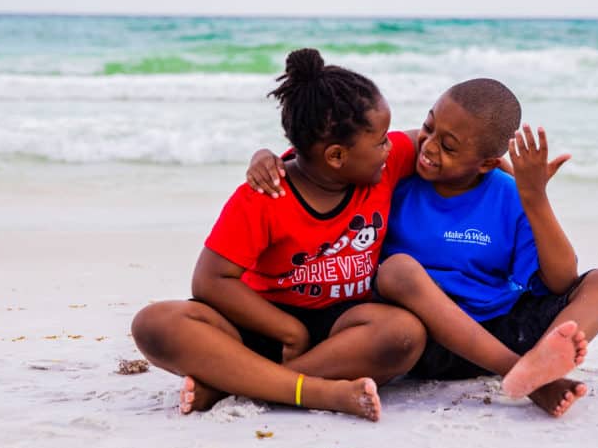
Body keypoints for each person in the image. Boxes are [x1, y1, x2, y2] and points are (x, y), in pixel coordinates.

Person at [250, 78, 598, 418]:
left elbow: (561, 281)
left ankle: (538, 365)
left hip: (495, 329)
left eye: (447, 146)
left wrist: (535, 198)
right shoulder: (394, 173)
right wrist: (270, 157)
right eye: (429, 127)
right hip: (418, 336)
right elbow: (333, 159)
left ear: (488, 164)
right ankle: (523, 373)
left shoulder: (508, 193)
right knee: (398, 269)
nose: (428, 147)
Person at [131, 48, 427, 422]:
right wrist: (289, 331)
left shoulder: (386, 164)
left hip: (341, 334)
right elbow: (210, 280)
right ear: (336, 156)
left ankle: (234, 385)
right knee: (154, 324)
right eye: (381, 140)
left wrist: (491, 157)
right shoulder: (266, 194)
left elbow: (433, 142)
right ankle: (319, 391)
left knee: (404, 333)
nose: (391, 146)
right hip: (259, 326)